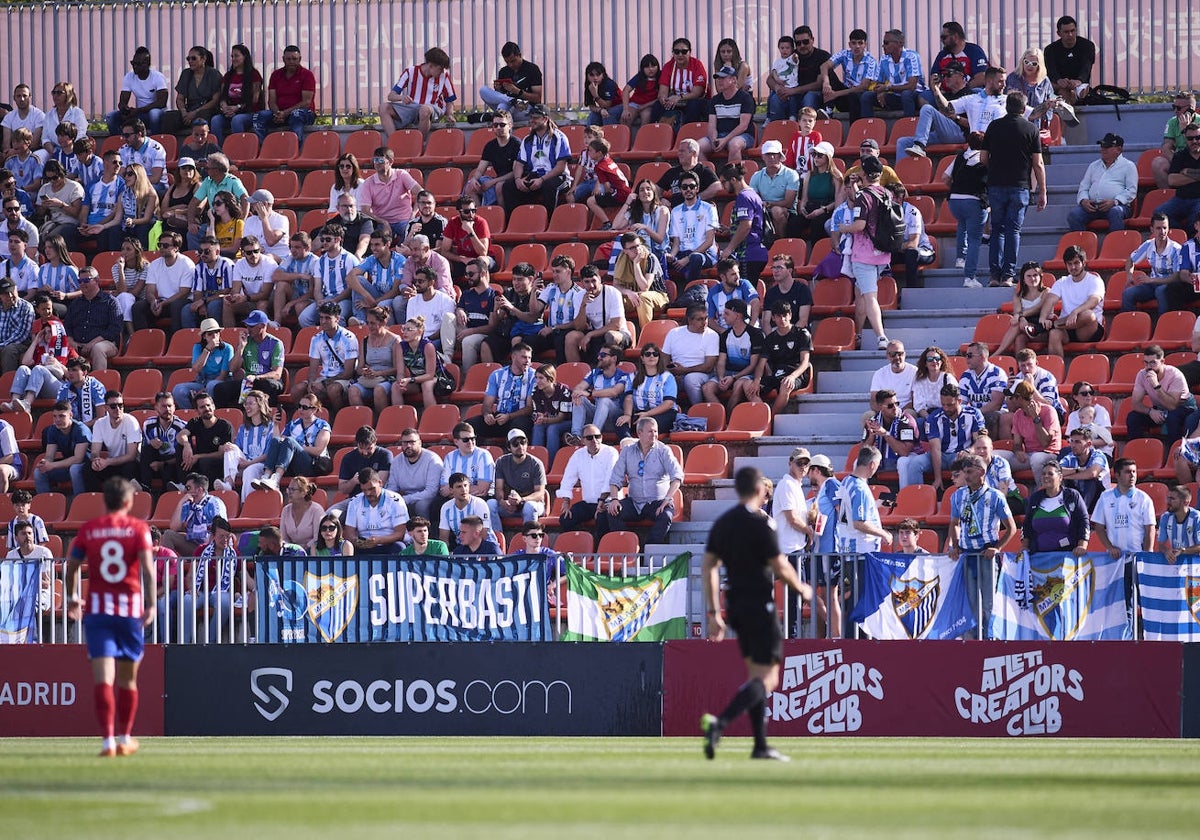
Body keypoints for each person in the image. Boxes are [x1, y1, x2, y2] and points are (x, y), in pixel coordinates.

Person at [701, 466, 811, 760]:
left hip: (735, 605)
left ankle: (760, 746)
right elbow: (779, 565)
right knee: (768, 680)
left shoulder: (723, 523)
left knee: (755, 676)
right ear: (760, 491)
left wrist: (714, 612)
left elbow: (709, 567)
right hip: (760, 605)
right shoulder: (762, 524)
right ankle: (719, 724)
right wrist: (802, 588)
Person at [64, 477, 154, 757]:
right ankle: (125, 738)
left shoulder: (89, 530)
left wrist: (71, 596)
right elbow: (149, 570)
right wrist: (150, 605)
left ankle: (107, 742)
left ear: (105, 501)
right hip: (129, 612)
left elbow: (72, 565)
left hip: (98, 612)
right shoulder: (139, 529)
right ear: (128, 502)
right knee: (128, 680)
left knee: (104, 679)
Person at [981, 91, 1047, 287]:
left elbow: (983, 158)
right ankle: (1008, 275)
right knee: (1013, 231)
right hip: (1020, 187)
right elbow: (1038, 163)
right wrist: (1042, 190)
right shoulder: (1030, 129)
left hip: (995, 185)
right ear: (1022, 108)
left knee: (996, 231)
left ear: (1007, 106)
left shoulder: (993, 127)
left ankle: (994, 275)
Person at [947, 452, 1017, 628]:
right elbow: (954, 523)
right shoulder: (957, 496)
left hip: (986, 554)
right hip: (967, 554)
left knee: (989, 601)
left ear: (981, 472)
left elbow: (1011, 528)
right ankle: (973, 641)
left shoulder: (995, 496)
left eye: (970, 472)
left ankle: (991, 637)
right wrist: (955, 546)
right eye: (965, 472)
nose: (966, 476)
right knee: (970, 601)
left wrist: (998, 548)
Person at [597, 416, 683, 546]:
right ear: (639, 433)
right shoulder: (627, 451)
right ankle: (627, 547)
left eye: (656, 431)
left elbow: (677, 477)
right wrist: (614, 499)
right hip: (634, 502)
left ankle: (649, 552)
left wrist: (667, 499)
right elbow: (615, 479)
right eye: (650, 431)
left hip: (657, 501)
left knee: (665, 515)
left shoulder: (664, 450)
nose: (654, 434)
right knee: (611, 511)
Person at [835, 154, 890, 349]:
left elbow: (859, 225)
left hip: (864, 255)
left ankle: (881, 336)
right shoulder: (886, 193)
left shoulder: (862, 197)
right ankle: (866, 333)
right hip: (882, 253)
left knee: (869, 297)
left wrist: (843, 228)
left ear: (864, 174)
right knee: (865, 294)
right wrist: (857, 187)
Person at [1092, 457, 1156, 622]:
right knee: (1122, 603)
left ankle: (1145, 638)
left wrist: (1147, 554)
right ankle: (1128, 640)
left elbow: (1150, 528)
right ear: (1117, 475)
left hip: (1137, 558)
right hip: (1116, 561)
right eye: (1128, 472)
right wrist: (1109, 547)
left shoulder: (1143, 498)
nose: (1132, 475)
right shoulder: (1106, 497)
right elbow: (1098, 526)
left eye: (1134, 471)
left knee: (1144, 601)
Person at [903, 383, 985, 491]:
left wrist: (969, 451)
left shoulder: (974, 414)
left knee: (969, 462)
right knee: (915, 463)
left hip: (960, 455)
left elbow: (979, 441)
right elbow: (935, 448)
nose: (946, 408)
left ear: (959, 401)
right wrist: (938, 478)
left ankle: (969, 497)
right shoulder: (934, 418)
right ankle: (917, 498)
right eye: (943, 404)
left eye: (950, 405)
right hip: (940, 454)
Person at [250, 392, 332, 492]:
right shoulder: (293, 424)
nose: (300, 410)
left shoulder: (322, 425)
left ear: (314, 409)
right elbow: (279, 442)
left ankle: (276, 480)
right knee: (276, 440)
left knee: (289, 441)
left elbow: (318, 451)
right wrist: (275, 425)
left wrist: (295, 447)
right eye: (299, 406)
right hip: (291, 464)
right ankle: (266, 476)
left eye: (305, 407)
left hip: (311, 465)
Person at [4, 296, 73, 414]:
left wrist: (58, 364)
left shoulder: (68, 350)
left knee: (39, 369)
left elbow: (75, 374)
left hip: (61, 387)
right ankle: (14, 402)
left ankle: (27, 403)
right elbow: (25, 362)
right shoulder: (39, 349)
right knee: (23, 369)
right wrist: (36, 341)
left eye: (51, 332)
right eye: (45, 332)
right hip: (39, 387)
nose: (48, 335)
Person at [504, 104, 572, 214]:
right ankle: (516, 220)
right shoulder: (527, 140)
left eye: (535, 118)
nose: (532, 120)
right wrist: (518, 180)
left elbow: (561, 167)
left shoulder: (559, 137)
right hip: (535, 176)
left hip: (558, 176)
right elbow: (520, 164)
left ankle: (549, 221)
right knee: (508, 186)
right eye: (530, 117)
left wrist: (542, 180)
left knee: (548, 186)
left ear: (545, 119)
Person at [1040, 247, 1106, 358]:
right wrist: (1042, 318)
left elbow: (1094, 301)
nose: (1073, 267)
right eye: (1069, 264)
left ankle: (1053, 325)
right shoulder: (1062, 281)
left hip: (1088, 328)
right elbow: (1050, 300)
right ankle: (1056, 372)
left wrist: (1075, 312)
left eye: (1076, 263)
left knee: (1088, 314)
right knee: (1054, 334)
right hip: (1066, 327)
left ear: (1084, 263)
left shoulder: (1094, 280)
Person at [213, 310, 285, 407]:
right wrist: (241, 347)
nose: (248, 329)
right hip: (248, 382)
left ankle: (268, 417)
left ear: (263, 326)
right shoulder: (246, 341)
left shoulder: (276, 343)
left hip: (267, 380)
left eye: (251, 326)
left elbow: (277, 374)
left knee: (266, 385)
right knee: (220, 388)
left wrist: (257, 377)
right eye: (246, 326)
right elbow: (232, 368)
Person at [379, 47, 455, 139]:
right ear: (430, 65)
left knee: (424, 109)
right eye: (440, 68)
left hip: (431, 108)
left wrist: (450, 115)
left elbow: (449, 100)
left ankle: (419, 144)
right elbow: (391, 96)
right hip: (412, 107)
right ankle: (394, 141)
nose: (442, 71)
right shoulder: (411, 72)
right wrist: (402, 97)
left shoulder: (444, 76)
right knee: (383, 107)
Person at [702, 298, 764, 410]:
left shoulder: (755, 334)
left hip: (746, 374)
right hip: (728, 374)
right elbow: (721, 362)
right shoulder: (725, 335)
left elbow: (752, 365)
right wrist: (721, 378)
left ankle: (728, 417)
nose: (723, 316)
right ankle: (720, 415)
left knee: (738, 385)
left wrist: (734, 377)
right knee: (707, 388)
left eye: (727, 313)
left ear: (738, 315)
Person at [1068, 133, 1137, 232]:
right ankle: (1080, 246)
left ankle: (1114, 245)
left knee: (1115, 212)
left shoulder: (1129, 166)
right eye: (1102, 146)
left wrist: (1114, 201)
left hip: (1117, 206)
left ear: (1119, 149)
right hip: (1093, 207)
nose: (1103, 149)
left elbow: (1131, 190)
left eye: (1108, 146)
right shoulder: (1093, 166)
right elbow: (1084, 187)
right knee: (1074, 215)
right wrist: (1084, 201)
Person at [1120, 213, 1186, 317]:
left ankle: (1163, 325)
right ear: (1152, 229)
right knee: (1128, 293)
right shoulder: (1148, 244)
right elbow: (1130, 260)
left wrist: (1152, 280)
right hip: (1151, 285)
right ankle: (1129, 324)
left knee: (1161, 291)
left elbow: (1176, 277)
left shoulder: (1176, 249)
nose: (1162, 232)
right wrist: (1129, 275)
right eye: (1158, 228)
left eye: (1165, 228)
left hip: (1168, 286)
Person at [470, 341, 537, 443]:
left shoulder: (533, 376)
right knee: (468, 427)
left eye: (529, 358)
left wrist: (509, 416)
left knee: (517, 427)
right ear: (513, 357)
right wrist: (487, 415)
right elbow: (487, 404)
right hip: (500, 416)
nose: (528, 361)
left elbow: (529, 408)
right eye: (524, 357)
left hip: (521, 417)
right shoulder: (497, 375)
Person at [555, 423, 619, 530]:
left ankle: (598, 546)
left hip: (608, 501)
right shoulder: (577, 455)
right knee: (565, 519)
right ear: (583, 441)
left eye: (597, 436)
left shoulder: (611, 452)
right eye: (589, 438)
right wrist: (566, 502)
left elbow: (611, 479)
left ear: (601, 437)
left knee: (602, 518)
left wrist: (602, 500)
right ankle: (582, 541)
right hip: (589, 503)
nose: (594, 440)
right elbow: (568, 479)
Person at [1127, 344, 1196, 441]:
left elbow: (1172, 406)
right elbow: (1135, 404)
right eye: (1146, 363)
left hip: (1183, 407)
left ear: (1162, 361)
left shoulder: (1175, 375)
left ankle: (1173, 451)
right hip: (1160, 408)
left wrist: (1156, 385)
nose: (1148, 367)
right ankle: (1137, 450)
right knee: (1133, 417)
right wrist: (1150, 412)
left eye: (1153, 363)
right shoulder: (1142, 374)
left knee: (1172, 417)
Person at [298, 301, 358, 414]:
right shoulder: (316, 339)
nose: (323, 321)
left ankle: (337, 417)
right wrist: (311, 383)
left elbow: (348, 373)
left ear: (337, 319)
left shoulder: (349, 338)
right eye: (321, 318)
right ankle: (304, 419)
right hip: (325, 377)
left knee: (333, 389)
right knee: (298, 389)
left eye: (327, 318)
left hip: (345, 379)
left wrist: (325, 383)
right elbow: (313, 368)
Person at [566, 264, 631, 363]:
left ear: (599, 279)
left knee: (610, 336)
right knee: (571, 337)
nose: (591, 285)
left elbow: (616, 324)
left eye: (593, 281)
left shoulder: (613, 293)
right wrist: (583, 306)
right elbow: (579, 327)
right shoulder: (579, 296)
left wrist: (590, 334)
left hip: (617, 333)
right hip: (594, 334)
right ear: (582, 283)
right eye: (587, 282)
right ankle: (576, 372)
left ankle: (609, 370)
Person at [252, 45, 317, 141]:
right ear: (283, 59)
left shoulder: (307, 75)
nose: (291, 62)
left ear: (300, 59)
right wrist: (277, 113)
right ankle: (263, 148)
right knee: (259, 116)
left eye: (294, 59)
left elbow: (306, 102)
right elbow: (271, 101)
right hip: (279, 113)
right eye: (288, 59)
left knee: (296, 115)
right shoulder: (275, 75)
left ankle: (294, 149)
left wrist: (285, 113)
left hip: (303, 113)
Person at [223, 388, 280, 498]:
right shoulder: (243, 428)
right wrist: (228, 446)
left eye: (250, 403)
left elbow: (269, 454)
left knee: (250, 470)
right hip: (244, 463)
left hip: (261, 466)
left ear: (260, 405)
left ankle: (245, 503)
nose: (247, 407)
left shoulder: (271, 427)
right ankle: (228, 483)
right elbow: (237, 450)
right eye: (245, 404)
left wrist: (249, 463)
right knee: (230, 448)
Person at [717, 164, 769, 282]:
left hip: (748, 253)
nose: (722, 186)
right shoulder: (752, 194)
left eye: (723, 182)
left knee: (746, 296)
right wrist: (731, 230)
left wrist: (729, 249)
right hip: (756, 253)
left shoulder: (743, 197)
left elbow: (746, 225)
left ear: (733, 180)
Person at [836, 444, 891, 556]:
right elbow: (859, 523)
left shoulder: (846, 481)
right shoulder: (860, 488)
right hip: (860, 549)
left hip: (846, 544)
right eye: (878, 465)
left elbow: (850, 511)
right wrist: (883, 534)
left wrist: (875, 505)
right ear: (872, 465)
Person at [567, 346, 630, 442]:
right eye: (599, 355)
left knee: (604, 400)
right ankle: (576, 436)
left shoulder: (623, 376)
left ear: (614, 358)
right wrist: (577, 394)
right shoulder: (594, 373)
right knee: (580, 397)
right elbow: (578, 388)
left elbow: (614, 392)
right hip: (597, 415)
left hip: (614, 420)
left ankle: (593, 435)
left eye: (603, 355)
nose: (599, 358)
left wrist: (590, 393)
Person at [616, 342, 677, 439]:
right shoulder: (633, 376)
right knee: (619, 419)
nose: (651, 356)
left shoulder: (667, 377)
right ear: (642, 358)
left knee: (648, 424)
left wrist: (647, 414)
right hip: (639, 412)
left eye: (655, 354)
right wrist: (627, 415)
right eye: (648, 354)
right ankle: (627, 441)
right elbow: (629, 397)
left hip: (662, 414)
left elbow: (669, 403)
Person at [64, 267, 121, 371]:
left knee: (98, 349)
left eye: (86, 280)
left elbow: (115, 329)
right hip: (77, 344)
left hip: (105, 343)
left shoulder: (111, 302)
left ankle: (98, 384)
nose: (82, 283)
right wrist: (70, 340)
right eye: (80, 281)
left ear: (97, 280)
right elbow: (67, 326)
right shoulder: (75, 303)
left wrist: (93, 343)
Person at [665, 172, 719, 283]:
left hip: (704, 254)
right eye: (684, 187)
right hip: (683, 252)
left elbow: (709, 241)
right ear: (680, 190)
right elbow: (676, 243)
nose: (688, 189)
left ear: (697, 188)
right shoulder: (676, 211)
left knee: (695, 259)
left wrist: (687, 259)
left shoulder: (709, 208)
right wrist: (672, 255)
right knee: (662, 258)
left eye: (692, 186)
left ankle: (690, 290)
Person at [349, 305, 403, 413]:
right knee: (352, 390)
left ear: (383, 322)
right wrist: (365, 371)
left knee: (379, 390)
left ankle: (382, 421)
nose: (369, 326)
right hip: (369, 378)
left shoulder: (395, 340)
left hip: (387, 378)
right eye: (368, 323)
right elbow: (359, 368)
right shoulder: (365, 341)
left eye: (373, 323)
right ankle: (364, 421)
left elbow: (397, 368)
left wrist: (379, 373)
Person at [137, 231, 195, 333]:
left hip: (182, 301)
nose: (162, 248)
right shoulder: (154, 264)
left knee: (176, 306)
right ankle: (147, 340)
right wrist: (152, 302)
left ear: (176, 248)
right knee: (138, 307)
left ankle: (174, 341)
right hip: (162, 302)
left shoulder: (187, 264)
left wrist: (163, 304)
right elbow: (149, 291)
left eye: (166, 245)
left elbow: (184, 293)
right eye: (160, 245)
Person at [662, 304, 718, 406]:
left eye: (706, 318)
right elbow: (664, 358)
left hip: (702, 375)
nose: (704, 322)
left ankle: (698, 411)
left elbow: (708, 367)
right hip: (677, 374)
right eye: (700, 319)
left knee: (691, 379)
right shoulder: (674, 333)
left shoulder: (712, 335)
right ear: (690, 320)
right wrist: (670, 374)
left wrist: (684, 371)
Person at [488, 428, 547, 525]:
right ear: (509, 447)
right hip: (510, 505)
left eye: (523, 442)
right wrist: (502, 501)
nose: (520, 446)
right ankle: (497, 539)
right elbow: (498, 488)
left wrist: (521, 500)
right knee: (490, 504)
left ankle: (529, 537)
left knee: (529, 507)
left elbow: (540, 493)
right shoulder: (501, 462)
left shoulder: (536, 463)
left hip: (531, 503)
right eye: (515, 444)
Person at [344, 468, 409, 555]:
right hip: (364, 545)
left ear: (380, 483)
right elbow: (349, 533)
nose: (368, 493)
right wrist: (357, 541)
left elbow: (400, 534)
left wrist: (379, 540)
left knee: (399, 547)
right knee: (348, 548)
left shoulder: (395, 500)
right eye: (364, 490)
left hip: (389, 544)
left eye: (372, 489)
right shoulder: (354, 502)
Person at [698, 66, 755, 165]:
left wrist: (725, 139)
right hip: (720, 135)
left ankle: (732, 178)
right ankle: (708, 176)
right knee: (696, 147)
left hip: (743, 136)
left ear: (733, 79)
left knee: (734, 145)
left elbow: (743, 126)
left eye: (723, 78)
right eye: (718, 78)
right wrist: (713, 140)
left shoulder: (745, 98)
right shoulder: (715, 100)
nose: (719, 81)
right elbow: (712, 126)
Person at [358, 147, 420, 237]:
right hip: (380, 222)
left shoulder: (401, 175)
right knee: (376, 240)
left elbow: (421, 193)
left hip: (404, 220)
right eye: (375, 160)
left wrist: (413, 214)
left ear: (390, 161)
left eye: (380, 160)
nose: (376, 163)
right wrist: (384, 222)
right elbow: (365, 210)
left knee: (412, 235)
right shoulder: (368, 183)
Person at [207, 43, 264, 142]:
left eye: (236, 56)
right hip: (229, 112)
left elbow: (255, 99)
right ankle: (218, 151)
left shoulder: (254, 75)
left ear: (245, 57)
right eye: (232, 56)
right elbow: (222, 96)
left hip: (248, 112)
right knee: (215, 120)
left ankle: (239, 150)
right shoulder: (228, 75)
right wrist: (224, 107)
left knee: (237, 120)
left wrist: (237, 107)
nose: (233, 59)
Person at [161, 471, 227, 556]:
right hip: (194, 545)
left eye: (188, 488)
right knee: (168, 534)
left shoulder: (214, 503)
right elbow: (174, 527)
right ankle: (170, 568)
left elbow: (221, 529)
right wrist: (180, 503)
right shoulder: (188, 504)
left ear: (199, 490)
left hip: (212, 548)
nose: (185, 491)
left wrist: (208, 550)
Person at [819, 28, 878, 122]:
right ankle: (828, 109)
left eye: (860, 43)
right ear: (849, 44)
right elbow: (824, 66)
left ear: (865, 45)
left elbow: (863, 87)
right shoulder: (845, 54)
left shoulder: (871, 62)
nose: (857, 46)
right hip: (844, 95)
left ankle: (853, 131)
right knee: (828, 73)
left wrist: (836, 94)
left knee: (855, 95)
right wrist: (826, 83)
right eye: (854, 43)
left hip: (859, 98)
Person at [106, 47, 169, 136]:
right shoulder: (129, 77)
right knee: (110, 117)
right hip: (139, 114)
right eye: (133, 63)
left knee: (154, 114)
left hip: (156, 114)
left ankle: (155, 144)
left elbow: (161, 103)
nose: (134, 66)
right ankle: (122, 144)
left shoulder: (157, 77)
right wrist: (124, 109)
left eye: (138, 64)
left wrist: (138, 110)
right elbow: (122, 102)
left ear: (147, 64)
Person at [172, 318, 232, 409]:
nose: (214, 336)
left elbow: (223, 375)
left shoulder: (227, 348)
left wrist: (204, 390)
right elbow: (196, 369)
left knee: (211, 386)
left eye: (217, 333)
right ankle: (193, 414)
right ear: (204, 336)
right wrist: (207, 350)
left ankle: (210, 412)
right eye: (210, 334)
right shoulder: (198, 347)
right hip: (202, 381)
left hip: (220, 382)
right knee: (178, 390)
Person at [178, 392, 236, 487]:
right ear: (197, 411)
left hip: (217, 463)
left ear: (213, 406)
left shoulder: (224, 426)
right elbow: (181, 435)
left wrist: (198, 457)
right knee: (181, 447)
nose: (206, 409)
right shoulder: (195, 422)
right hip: (198, 460)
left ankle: (207, 489)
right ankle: (184, 484)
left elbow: (222, 454)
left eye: (208, 405)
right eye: (202, 407)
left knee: (205, 462)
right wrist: (186, 444)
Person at [464, 111, 520, 208]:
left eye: (502, 125)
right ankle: (479, 217)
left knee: (499, 186)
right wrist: (474, 179)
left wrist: (493, 182)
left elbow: (515, 173)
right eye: (495, 125)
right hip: (498, 180)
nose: (498, 128)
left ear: (510, 126)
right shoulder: (490, 146)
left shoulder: (517, 144)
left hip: (514, 180)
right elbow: (480, 169)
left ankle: (503, 218)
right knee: (470, 187)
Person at [88, 390, 141, 491]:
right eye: (113, 406)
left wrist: (107, 462)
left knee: (129, 467)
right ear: (106, 408)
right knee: (89, 467)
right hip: (112, 463)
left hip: (130, 464)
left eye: (120, 405)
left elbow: (131, 456)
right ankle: (93, 499)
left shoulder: (131, 421)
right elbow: (94, 451)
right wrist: (96, 461)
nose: (117, 409)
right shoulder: (100, 423)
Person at [385, 428, 443, 522]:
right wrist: (392, 499)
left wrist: (406, 499)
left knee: (421, 505)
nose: (408, 446)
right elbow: (392, 488)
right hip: (406, 497)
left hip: (428, 498)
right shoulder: (396, 461)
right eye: (404, 443)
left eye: (412, 442)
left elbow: (431, 491)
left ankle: (426, 533)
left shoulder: (432, 460)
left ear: (420, 443)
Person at [863, 29, 924, 117]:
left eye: (886, 43)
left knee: (906, 94)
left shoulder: (912, 57)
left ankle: (909, 127)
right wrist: (880, 91)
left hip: (915, 95)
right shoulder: (884, 59)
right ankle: (868, 127)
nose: (883, 46)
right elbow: (879, 83)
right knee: (866, 96)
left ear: (899, 43)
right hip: (895, 95)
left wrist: (887, 88)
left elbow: (911, 86)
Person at [478, 41, 543, 120]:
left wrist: (518, 91)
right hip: (509, 105)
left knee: (502, 107)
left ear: (519, 55)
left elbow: (537, 98)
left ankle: (496, 116)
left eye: (513, 61)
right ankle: (512, 101)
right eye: (507, 62)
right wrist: (498, 90)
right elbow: (501, 95)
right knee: (483, 90)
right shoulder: (503, 71)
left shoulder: (532, 69)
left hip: (525, 109)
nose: (510, 65)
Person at [749, 140, 799, 242]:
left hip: (787, 212)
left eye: (774, 154)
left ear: (780, 156)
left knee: (776, 211)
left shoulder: (791, 174)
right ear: (763, 157)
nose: (771, 157)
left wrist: (768, 204)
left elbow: (788, 203)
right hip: (763, 210)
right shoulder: (756, 176)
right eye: (768, 154)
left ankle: (780, 242)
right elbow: (753, 199)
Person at [863, 388, 921, 475]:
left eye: (897, 404)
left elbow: (904, 452)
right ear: (880, 407)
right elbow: (863, 451)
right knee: (859, 462)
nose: (895, 408)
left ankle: (904, 489)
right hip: (884, 460)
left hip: (912, 458)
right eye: (890, 406)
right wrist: (871, 436)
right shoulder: (873, 421)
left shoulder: (906, 421)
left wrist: (885, 434)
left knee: (903, 462)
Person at [184, 235, 235, 328]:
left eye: (207, 251)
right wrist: (201, 305)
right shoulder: (199, 267)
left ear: (217, 252)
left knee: (213, 306)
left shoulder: (226, 264)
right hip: (205, 300)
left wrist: (204, 301)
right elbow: (197, 292)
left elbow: (226, 290)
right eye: (200, 251)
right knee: (187, 310)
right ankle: (191, 339)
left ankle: (217, 336)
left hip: (222, 300)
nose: (203, 254)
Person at [1044, 15, 1096, 104]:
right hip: (1059, 85)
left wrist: (1079, 80)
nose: (1070, 35)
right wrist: (1059, 80)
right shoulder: (1050, 49)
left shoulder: (1087, 46)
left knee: (1082, 90)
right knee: (1062, 91)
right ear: (1059, 33)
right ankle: (1068, 114)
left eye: (1073, 31)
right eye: (1066, 32)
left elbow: (1086, 67)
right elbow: (1051, 70)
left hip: (1079, 83)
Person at [438, 198, 493, 281]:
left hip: (485, 259)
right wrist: (462, 259)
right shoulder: (453, 222)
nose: (471, 214)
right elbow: (444, 251)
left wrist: (470, 231)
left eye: (473, 211)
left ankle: (484, 292)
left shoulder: (481, 222)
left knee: (481, 261)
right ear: (459, 212)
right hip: (464, 260)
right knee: (444, 262)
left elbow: (483, 252)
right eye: (467, 211)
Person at [35, 159, 85, 249]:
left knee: (52, 239)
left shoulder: (74, 187)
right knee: (38, 238)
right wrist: (43, 207)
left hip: (70, 223)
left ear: (62, 174)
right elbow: (39, 213)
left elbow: (77, 213)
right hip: (53, 223)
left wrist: (61, 205)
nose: (52, 181)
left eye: (55, 178)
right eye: (49, 179)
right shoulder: (45, 188)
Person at [1152, 93, 1196, 192]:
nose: (1175, 111)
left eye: (1179, 108)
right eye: (1174, 107)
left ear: (1190, 109)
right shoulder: (1172, 122)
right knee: (1158, 163)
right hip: (1179, 159)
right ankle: (1169, 196)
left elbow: (1195, 147)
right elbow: (1166, 147)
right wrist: (1177, 164)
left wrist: (1185, 130)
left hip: (1196, 160)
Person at [658, 38, 708, 125]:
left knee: (693, 105)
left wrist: (679, 97)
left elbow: (697, 93)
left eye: (684, 52)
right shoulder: (668, 66)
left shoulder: (697, 65)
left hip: (692, 99)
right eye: (676, 52)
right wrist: (663, 99)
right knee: (657, 106)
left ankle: (688, 133)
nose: (680, 55)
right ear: (673, 53)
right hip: (674, 101)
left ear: (690, 52)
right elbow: (662, 91)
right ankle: (659, 133)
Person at [529, 363, 572, 462]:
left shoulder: (563, 391)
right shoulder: (536, 391)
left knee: (553, 429)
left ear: (550, 378)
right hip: (549, 419)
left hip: (567, 421)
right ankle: (536, 462)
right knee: (537, 426)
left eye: (541, 378)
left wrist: (545, 420)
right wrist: (539, 418)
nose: (537, 381)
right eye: (536, 378)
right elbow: (537, 412)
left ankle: (551, 463)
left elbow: (561, 417)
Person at [656, 139, 720, 206]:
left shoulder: (703, 171)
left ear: (694, 153)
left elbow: (717, 186)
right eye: (679, 151)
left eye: (682, 151)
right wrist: (661, 199)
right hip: (676, 211)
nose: (679, 153)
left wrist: (696, 198)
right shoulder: (672, 172)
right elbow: (656, 189)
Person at [1058, 427, 1109, 510]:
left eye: (1078, 442)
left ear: (1088, 444)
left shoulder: (1098, 455)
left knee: (1092, 480)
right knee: (1060, 481)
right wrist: (1076, 470)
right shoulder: (1070, 457)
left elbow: (1092, 473)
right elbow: (1056, 471)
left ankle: (1081, 512)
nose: (1073, 445)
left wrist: (1066, 476)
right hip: (1078, 495)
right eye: (1072, 441)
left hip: (1100, 499)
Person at [439, 472, 494, 548]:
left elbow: (483, 534)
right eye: (459, 487)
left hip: (486, 547)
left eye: (465, 485)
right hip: (462, 548)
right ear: (451, 490)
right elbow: (444, 538)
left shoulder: (479, 504)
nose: (463, 489)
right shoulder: (446, 508)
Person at [909, 346, 958, 419]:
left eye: (937, 359)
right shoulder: (919, 380)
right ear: (925, 363)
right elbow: (919, 406)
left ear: (941, 362)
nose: (934, 361)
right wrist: (929, 419)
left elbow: (955, 401)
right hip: (927, 414)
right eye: (930, 359)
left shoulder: (948, 378)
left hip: (946, 412)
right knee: (919, 423)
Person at [242, 189, 289, 262]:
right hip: (255, 254)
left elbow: (271, 241)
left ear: (264, 204)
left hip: (279, 256)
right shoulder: (250, 220)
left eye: (254, 203)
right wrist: (256, 248)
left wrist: (264, 219)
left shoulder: (281, 219)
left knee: (266, 259)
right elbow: (245, 243)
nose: (252, 206)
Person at [0, 275, 34, 374]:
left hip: (20, 344)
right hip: (2, 343)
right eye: (6, 293)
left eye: (12, 291)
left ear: (16, 289)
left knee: (9, 350)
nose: (10, 296)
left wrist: (2, 346)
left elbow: (21, 335)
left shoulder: (26, 307)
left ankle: (8, 384)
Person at [619, 54, 665, 127]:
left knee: (647, 115)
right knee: (626, 118)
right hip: (635, 104)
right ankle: (624, 138)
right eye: (647, 67)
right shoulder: (639, 76)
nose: (651, 69)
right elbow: (626, 90)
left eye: (653, 66)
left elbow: (661, 97)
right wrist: (625, 109)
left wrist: (644, 106)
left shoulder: (662, 76)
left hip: (650, 105)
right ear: (642, 68)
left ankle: (642, 137)